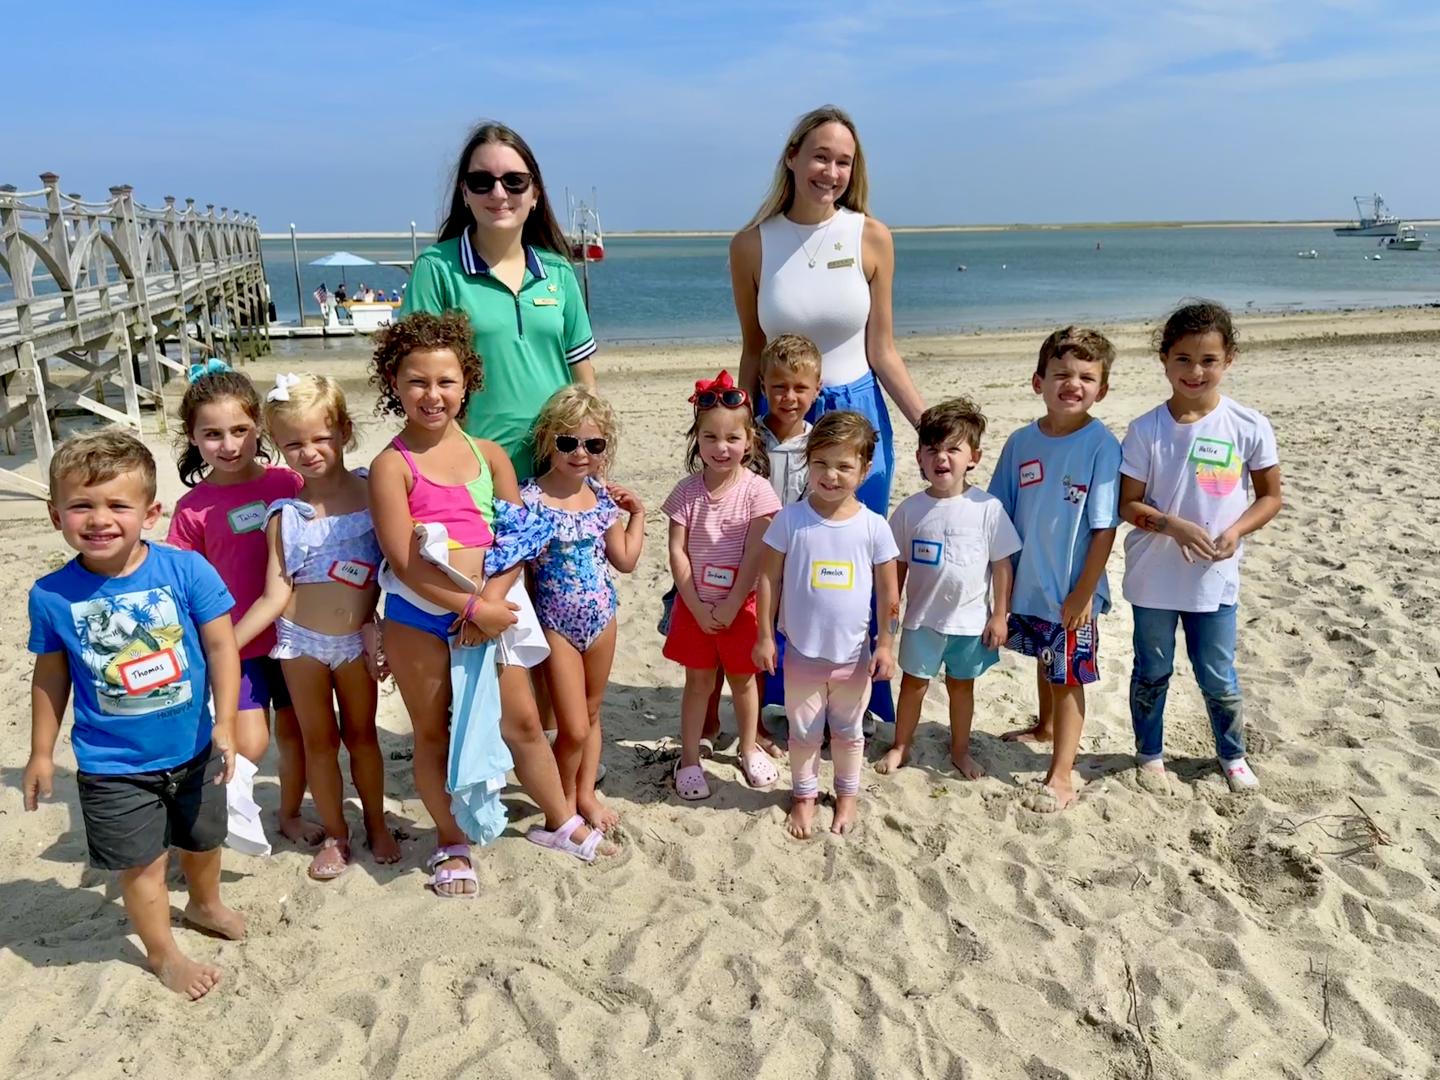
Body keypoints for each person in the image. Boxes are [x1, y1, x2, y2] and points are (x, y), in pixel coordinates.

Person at [368, 312, 608, 893]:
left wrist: (492, 605)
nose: (433, 395)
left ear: (467, 384)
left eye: (446, 382)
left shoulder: (491, 455)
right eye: (417, 381)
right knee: (433, 730)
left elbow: (516, 539)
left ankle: (559, 818)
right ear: (393, 385)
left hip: (494, 612)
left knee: (523, 721)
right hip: (419, 618)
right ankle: (451, 842)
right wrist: (469, 610)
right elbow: (403, 560)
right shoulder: (390, 466)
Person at [24, 429, 245, 999]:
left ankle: (204, 902)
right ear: (55, 514)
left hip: (195, 747)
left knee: (203, 840)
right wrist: (41, 753)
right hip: (112, 764)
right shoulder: (52, 595)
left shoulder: (186, 571)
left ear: (151, 512)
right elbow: (50, 676)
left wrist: (225, 719)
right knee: (142, 865)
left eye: (117, 505)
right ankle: (163, 952)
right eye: (81, 505)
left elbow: (222, 647)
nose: (100, 519)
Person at [730, 105, 926, 726]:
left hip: (856, 413)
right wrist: (739, 425)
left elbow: (883, 349)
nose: (831, 171)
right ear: (791, 157)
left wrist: (929, 423)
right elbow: (753, 350)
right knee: (784, 554)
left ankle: (864, 695)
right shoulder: (750, 244)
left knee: (858, 555)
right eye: (820, 156)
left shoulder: (871, 235)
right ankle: (784, 691)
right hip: (781, 414)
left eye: (843, 161)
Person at [234, 374, 398, 880]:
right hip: (298, 644)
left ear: (345, 431)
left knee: (363, 736)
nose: (308, 452)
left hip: (355, 642)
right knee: (318, 742)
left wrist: (386, 629)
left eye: (320, 438)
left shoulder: (376, 493)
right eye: (293, 444)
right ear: (277, 448)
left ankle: (375, 821)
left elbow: (398, 567)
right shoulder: (286, 515)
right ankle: (335, 833)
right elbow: (275, 592)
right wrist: (226, 646)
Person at [1118, 301, 1282, 793]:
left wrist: (1236, 531)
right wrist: (1172, 526)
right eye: (1183, 359)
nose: (1195, 371)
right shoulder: (1146, 429)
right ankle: (1149, 754)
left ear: (1228, 359)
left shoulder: (1248, 425)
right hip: (1153, 577)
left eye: (1208, 360)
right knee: (1152, 670)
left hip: (1214, 577)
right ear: (1164, 360)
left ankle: (1231, 755)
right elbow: (1129, 505)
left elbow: (1270, 496)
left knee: (1217, 675)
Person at [166, 362, 320, 847]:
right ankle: (218, 814)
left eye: (239, 430)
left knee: (296, 736)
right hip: (237, 644)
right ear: (192, 437)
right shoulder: (193, 508)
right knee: (250, 742)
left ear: (259, 427)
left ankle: (290, 815)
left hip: (295, 636)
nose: (228, 445)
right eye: (212, 434)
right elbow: (183, 582)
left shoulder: (286, 483)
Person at [401, 120, 597, 481]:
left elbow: (582, 377)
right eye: (482, 181)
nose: (498, 192)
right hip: (473, 470)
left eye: (513, 181)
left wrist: (587, 446)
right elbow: (415, 378)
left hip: (558, 469)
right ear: (464, 192)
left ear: (535, 192)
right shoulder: (437, 269)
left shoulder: (558, 272)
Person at [989, 328, 1122, 812]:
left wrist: (1084, 593)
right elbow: (998, 512)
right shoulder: (1021, 441)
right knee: (1046, 664)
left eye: (1087, 377)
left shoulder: (1101, 446)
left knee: (1068, 677)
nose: (1073, 384)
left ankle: (1062, 774)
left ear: (1101, 390)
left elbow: (1104, 529)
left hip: (1073, 587)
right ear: (1037, 381)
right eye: (1062, 374)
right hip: (1029, 583)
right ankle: (1044, 728)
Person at [753, 411, 899, 837]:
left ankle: (847, 796)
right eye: (821, 463)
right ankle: (803, 797)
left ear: (865, 469)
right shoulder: (790, 520)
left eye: (843, 466)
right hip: (800, 653)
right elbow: (768, 578)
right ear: (807, 461)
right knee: (803, 734)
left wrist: (886, 644)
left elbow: (889, 594)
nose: (831, 475)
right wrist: (765, 635)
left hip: (854, 658)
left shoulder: (873, 527)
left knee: (850, 734)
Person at [522, 385, 646, 831]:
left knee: (592, 716)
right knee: (572, 726)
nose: (580, 453)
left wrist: (639, 516)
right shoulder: (530, 500)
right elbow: (520, 568)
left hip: (603, 618)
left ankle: (584, 795)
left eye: (593, 445)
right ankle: (561, 800)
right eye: (568, 442)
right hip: (555, 622)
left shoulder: (601, 498)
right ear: (548, 440)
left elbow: (626, 561)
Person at [877, 398, 1020, 778]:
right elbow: (897, 573)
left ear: (973, 456)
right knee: (913, 686)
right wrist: (889, 624)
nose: (942, 458)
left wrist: (999, 615)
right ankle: (901, 746)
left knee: (961, 688)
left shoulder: (987, 508)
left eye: (953, 449)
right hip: (921, 620)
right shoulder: (909, 511)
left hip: (971, 623)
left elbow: (1002, 565)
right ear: (920, 456)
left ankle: (960, 751)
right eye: (933, 449)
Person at [662, 370, 782, 800]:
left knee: (744, 682)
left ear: (749, 441)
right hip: (695, 606)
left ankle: (748, 748)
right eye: (710, 437)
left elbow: (756, 553)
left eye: (732, 438)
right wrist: (693, 603)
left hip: (741, 607)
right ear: (698, 440)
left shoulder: (758, 491)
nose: (721, 447)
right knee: (698, 684)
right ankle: (690, 757)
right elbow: (677, 551)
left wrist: (732, 604)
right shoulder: (686, 493)